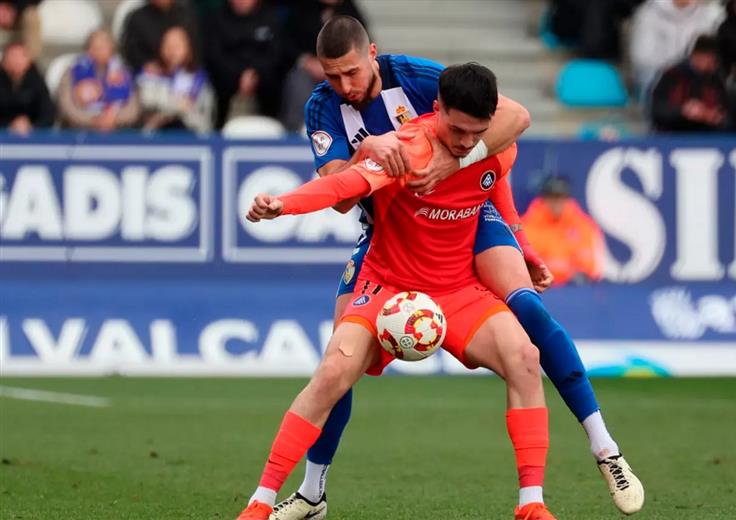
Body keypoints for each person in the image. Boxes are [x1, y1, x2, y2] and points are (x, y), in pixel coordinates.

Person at [270, 16, 643, 520]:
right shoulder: (323, 105)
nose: (344, 86)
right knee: (338, 363)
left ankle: (605, 447)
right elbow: (339, 193)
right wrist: (365, 147)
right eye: (333, 76)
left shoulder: (421, 79)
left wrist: (509, 224)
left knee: (528, 315)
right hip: (390, 229)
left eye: (352, 73)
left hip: (470, 211)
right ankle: (313, 493)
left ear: (373, 54)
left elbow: (506, 123)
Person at [237, 63, 558, 520]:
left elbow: (504, 172)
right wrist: (282, 204)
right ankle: (261, 501)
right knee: (332, 372)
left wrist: (521, 245)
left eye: (476, 133)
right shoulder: (404, 149)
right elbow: (342, 186)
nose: (467, 142)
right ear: (436, 108)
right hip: (386, 284)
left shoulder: (494, 148)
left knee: (525, 359)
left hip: (457, 289)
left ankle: (531, 505)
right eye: (458, 129)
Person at [279, 0, 366, 132]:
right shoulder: (302, 10)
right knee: (298, 81)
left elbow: (362, 43)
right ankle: (297, 130)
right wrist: (306, 61)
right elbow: (287, 44)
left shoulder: (350, 11)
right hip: (308, 68)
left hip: (342, 68)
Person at [203, 0, 284, 128]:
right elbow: (214, 57)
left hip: (265, 85)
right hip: (226, 87)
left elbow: (277, 55)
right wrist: (239, 77)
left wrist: (254, 74)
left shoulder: (270, 18)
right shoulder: (216, 19)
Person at [629, 0, 724, 98]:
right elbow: (642, 57)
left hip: (697, 75)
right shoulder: (649, 12)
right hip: (659, 75)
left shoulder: (712, 14)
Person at [520, 176, 605, 287]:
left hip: (575, 292)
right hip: (540, 290)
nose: (556, 203)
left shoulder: (584, 226)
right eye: (552, 197)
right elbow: (523, 268)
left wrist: (561, 272)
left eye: (561, 197)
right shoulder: (525, 227)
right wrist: (565, 270)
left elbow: (593, 267)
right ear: (544, 199)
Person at [57, 29, 139, 132]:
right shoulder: (71, 72)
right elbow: (67, 107)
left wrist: (115, 119)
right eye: (93, 47)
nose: (96, 50)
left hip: (116, 131)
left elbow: (133, 109)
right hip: (80, 132)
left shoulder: (124, 74)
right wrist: (93, 120)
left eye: (102, 47)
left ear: (112, 48)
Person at [136, 25, 214, 133]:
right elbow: (147, 101)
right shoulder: (150, 73)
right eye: (168, 45)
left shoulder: (198, 77)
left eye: (177, 46)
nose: (171, 51)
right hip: (156, 135)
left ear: (188, 48)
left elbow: (197, 110)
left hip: (191, 135)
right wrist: (177, 105)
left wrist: (168, 106)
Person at [650, 35, 733, 133]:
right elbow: (656, 110)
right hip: (673, 136)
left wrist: (711, 116)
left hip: (707, 138)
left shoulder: (717, 80)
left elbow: (729, 118)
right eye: (712, 60)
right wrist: (683, 111)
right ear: (697, 56)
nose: (713, 65)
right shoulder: (672, 75)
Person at [120, 0, 199, 73]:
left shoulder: (187, 13)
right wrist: (146, 65)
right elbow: (129, 51)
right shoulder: (136, 18)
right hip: (150, 77)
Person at [0, 39, 54, 135]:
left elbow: (48, 113)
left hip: (34, 137)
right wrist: (9, 126)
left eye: (21, 56)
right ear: (3, 61)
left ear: (29, 60)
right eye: (13, 56)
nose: (17, 61)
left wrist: (32, 127)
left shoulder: (37, 81)